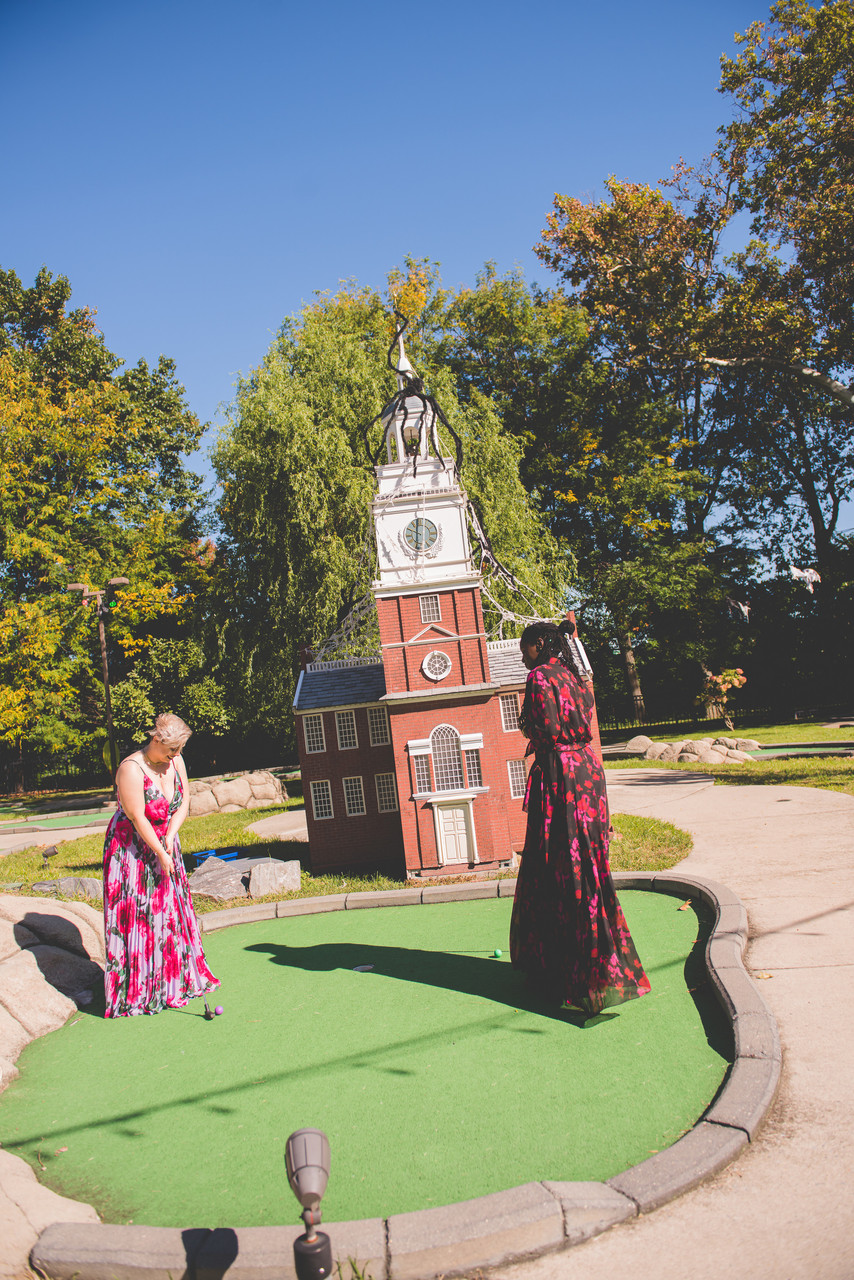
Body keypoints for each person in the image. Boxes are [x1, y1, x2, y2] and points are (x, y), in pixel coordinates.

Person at [510, 620, 650, 1015]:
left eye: (525, 649)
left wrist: (527, 727)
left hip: (560, 777)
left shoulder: (539, 677)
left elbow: (544, 730)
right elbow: (580, 722)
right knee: (589, 866)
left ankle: (574, 975)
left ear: (540, 643)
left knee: (558, 867)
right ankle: (598, 968)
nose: (523, 658)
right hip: (588, 774)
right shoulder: (575, 676)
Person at [102, 712, 219, 1017]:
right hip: (132, 851)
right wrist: (160, 851)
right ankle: (141, 990)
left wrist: (170, 836)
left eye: (179, 750)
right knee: (142, 914)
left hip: (165, 842)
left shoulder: (175, 761)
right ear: (156, 739)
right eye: (171, 749)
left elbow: (184, 802)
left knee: (170, 913)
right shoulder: (130, 769)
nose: (175, 756)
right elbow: (137, 817)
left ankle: (174, 983)